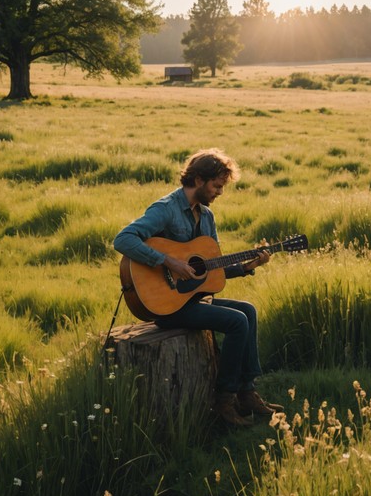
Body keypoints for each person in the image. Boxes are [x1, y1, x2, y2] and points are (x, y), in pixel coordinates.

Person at [113, 148, 283, 428]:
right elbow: (124, 239)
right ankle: (223, 400)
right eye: (217, 186)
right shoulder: (165, 208)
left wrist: (246, 266)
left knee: (248, 311)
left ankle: (246, 391)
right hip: (165, 305)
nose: (220, 192)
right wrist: (169, 262)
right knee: (237, 322)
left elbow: (209, 268)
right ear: (199, 179)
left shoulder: (206, 217)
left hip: (191, 300)